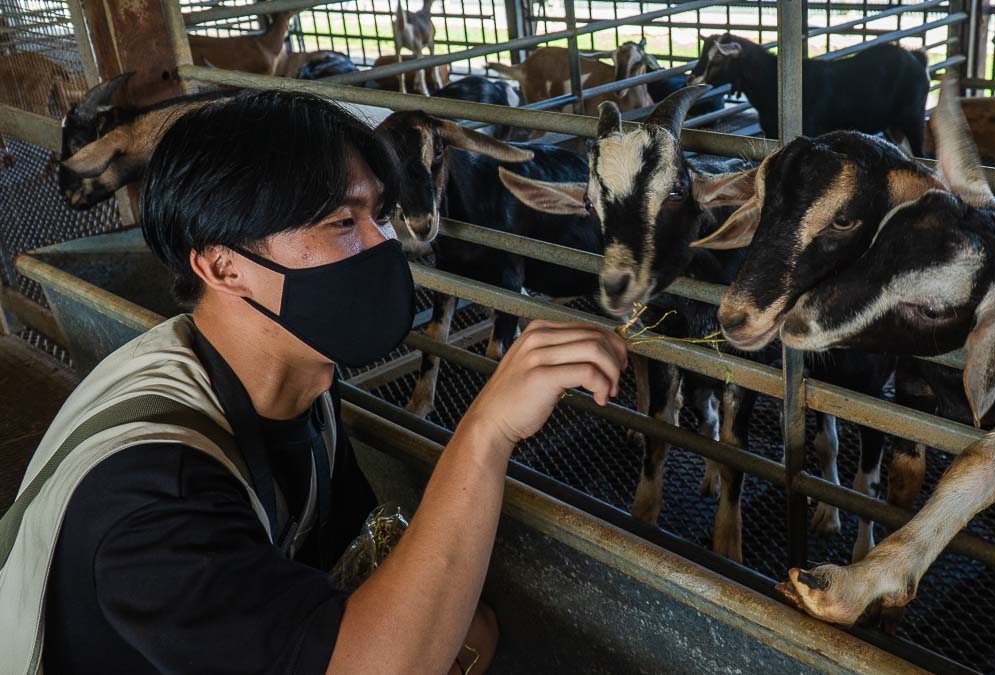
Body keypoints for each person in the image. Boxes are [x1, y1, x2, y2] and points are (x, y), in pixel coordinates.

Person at [0, 90, 626, 673]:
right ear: (223, 265)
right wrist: (485, 432)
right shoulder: (157, 491)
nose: (385, 244)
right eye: (340, 223)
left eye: (377, 215)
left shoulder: (290, 380)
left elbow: (351, 567)